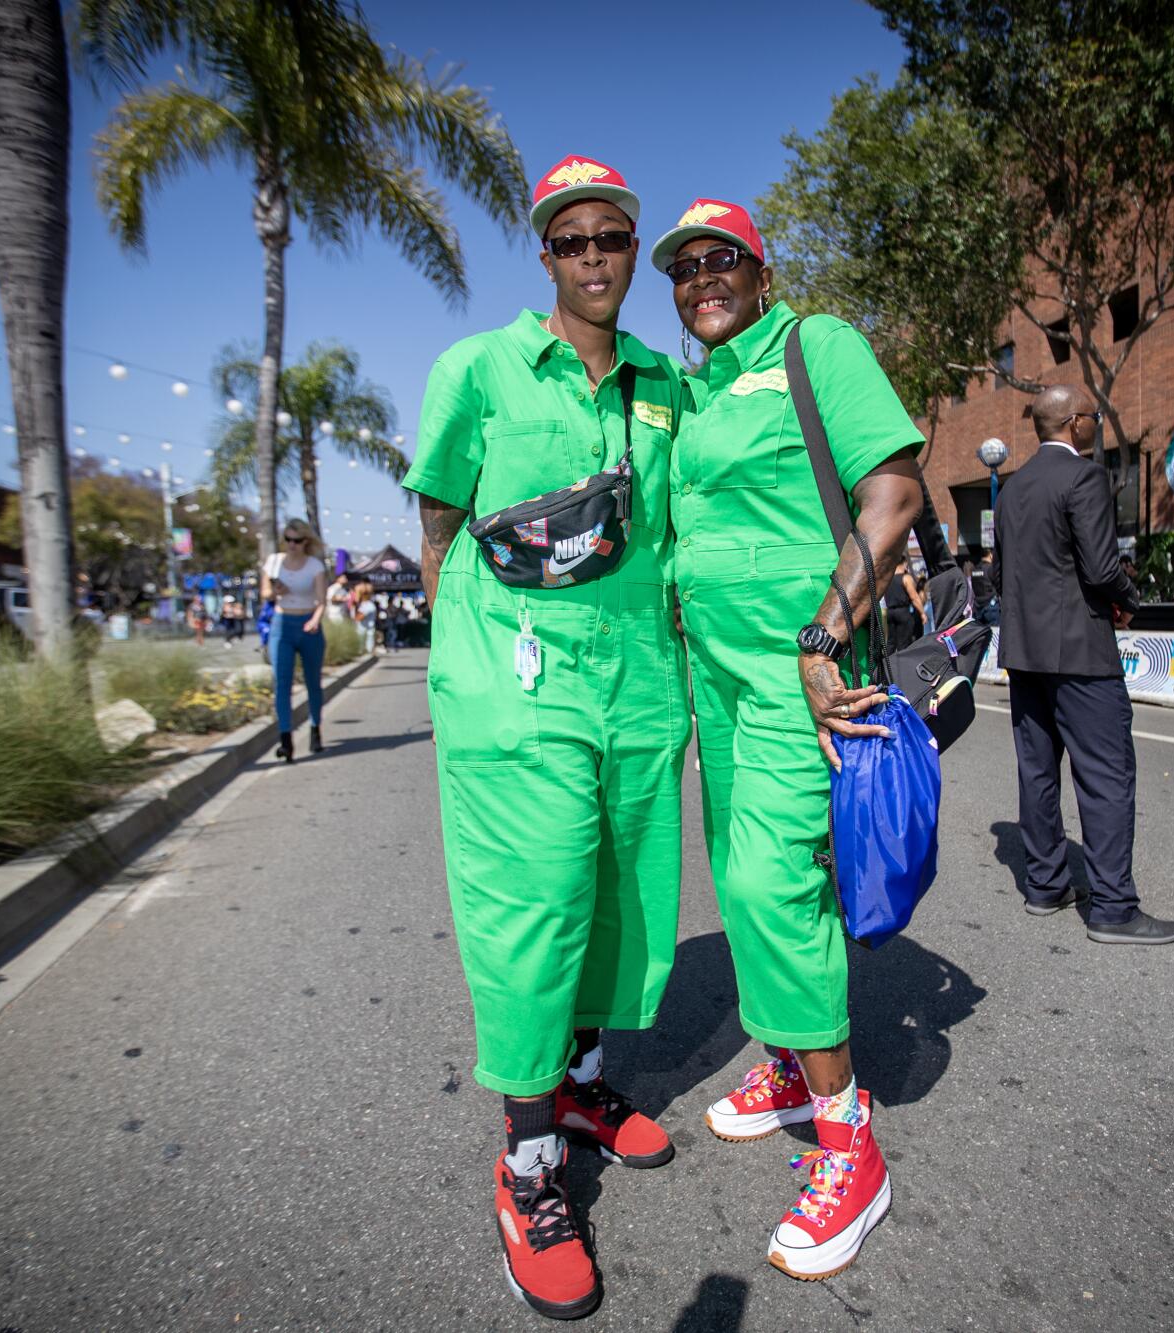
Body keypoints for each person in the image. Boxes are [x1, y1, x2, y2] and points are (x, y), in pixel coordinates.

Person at [405, 154, 692, 1321]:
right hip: (519, 682)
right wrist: (464, 666)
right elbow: (437, 522)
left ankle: (577, 1086)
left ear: (631, 249)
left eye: (609, 239)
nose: (591, 258)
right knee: (534, 907)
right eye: (569, 241)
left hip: (637, 683)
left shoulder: (665, 382)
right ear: (545, 256)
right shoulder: (477, 368)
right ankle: (526, 1169)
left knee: (617, 896)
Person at [655, 198, 920, 1281]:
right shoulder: (698, 388)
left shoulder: (815, 344)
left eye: (723, 259)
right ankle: (780, 1059)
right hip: (711, 677)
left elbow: (891, 492)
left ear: (760, 272)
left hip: (797, 673)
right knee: (736, 874)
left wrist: (821, 635)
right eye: (684, 266)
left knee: (771, 884)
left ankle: (849, 1146)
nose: (702, 277)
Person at [993, 382, 1174, 948]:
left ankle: (1045, 886)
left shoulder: (1013, 488)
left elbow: (999, 577)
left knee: (1038, 771)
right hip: (1081, 652)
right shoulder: (1086, 477)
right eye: (1093, 417)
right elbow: (1101, 569)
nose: (1097, 424)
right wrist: (1131, 598)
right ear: (1074, 423)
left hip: (1025, 655)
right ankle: (1113, 907)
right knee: (1105, 776)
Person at [262, 519, 328, 762]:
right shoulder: (274, 562)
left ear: (306, 542)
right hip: (282, 625)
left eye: (297, 540)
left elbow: (322, 600)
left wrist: (315, 620)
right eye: (288, 539)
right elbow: (264, 593)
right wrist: (275, 591)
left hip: (308, 625)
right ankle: (285, 740)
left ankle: (315, 729)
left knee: (313, 682)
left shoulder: (314, 565)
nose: (292, 544)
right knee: (282, 682)